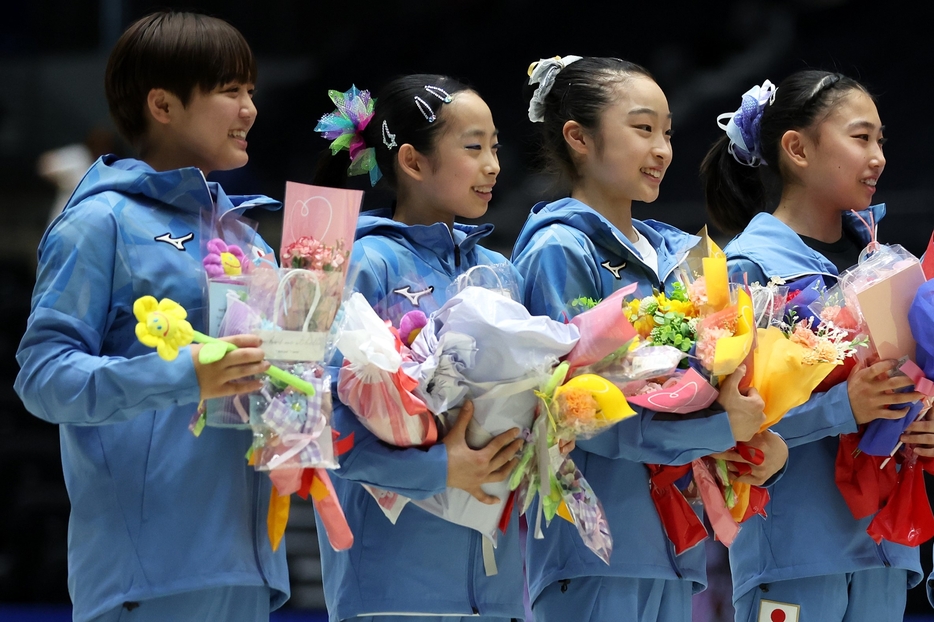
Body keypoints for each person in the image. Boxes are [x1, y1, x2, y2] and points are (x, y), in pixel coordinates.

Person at [14, 11, 289, 622]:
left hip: (251, 568)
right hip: (146, 575)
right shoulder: (99, 223)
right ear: (162, 105)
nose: (249, 110)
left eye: (250, 91)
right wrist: (185, 374)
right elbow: (42, 377)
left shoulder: (248, 239)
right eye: (229, 91)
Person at [510, 55, 787, 622]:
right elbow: (576, 416)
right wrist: (718, 427)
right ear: (578, 137)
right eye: (642, 129)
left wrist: (754, 442)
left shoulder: (681, 255)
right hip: (591, 553)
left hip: (674, 550)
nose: (662, 149)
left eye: (666, 132)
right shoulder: (559, 250)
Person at [701, 69, 925, 622]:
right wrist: (842, 408)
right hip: (794, 552)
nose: (878, 156)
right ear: (797, 149)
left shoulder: (891, 267)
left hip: (887, 550)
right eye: (860, 137)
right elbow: (724, 433)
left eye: (880, 140)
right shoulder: (746, 270)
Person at [312, 75, 526, 622]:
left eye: (495, 147)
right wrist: (440, 468)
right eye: (474, 146)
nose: (493, 165)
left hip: (499, 588)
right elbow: (321, 425)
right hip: (392, 590)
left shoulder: (500, 273)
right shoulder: (364, 261)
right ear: (412, 160)